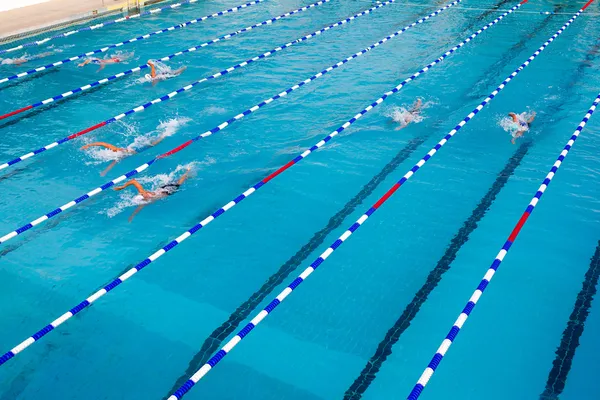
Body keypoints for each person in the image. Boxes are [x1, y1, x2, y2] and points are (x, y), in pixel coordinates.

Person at [113, 167, 191, 221]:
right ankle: (187, 174)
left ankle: (188, 172)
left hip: (164, 189)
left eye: (144, 194)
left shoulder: (143, 192)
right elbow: (138, 208)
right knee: (177, 183)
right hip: (167, 192)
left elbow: (133, 181)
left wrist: (123, 187)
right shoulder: (147, 200)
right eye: (145, 196)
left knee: (178, 183)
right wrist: (132, 216)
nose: (145, 195)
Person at [81, 135, 166, 176]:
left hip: (136, 150)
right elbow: (102, 144)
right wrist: (88, 145)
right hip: (133, 149)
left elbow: (102, 144)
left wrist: (88, 145)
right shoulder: (117, 154)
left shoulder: (115, 150)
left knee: (152, 144)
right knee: (148, 142)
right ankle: (161, 136)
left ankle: (164, 135)